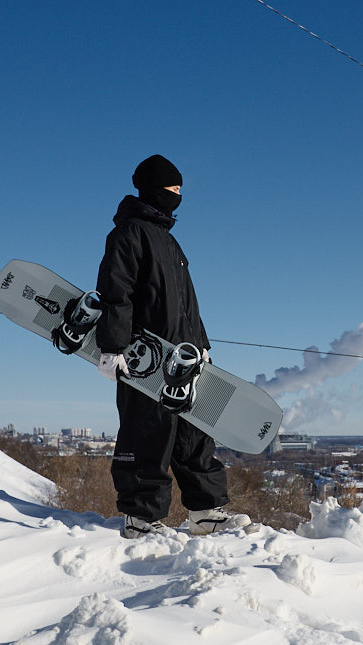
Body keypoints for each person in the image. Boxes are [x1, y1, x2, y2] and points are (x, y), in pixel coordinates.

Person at [94, 154, 251, 538]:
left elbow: (187, 306)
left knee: (194, 434)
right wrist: (112, 347)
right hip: (144, 358)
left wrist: (202, 347)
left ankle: (205, 513)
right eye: (173, 188)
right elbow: (117, 292)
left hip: (183, 360)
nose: (178, 195)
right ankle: (141, 518)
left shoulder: (171, 243)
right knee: (148, 434)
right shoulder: (128, 234)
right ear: (152, 188)